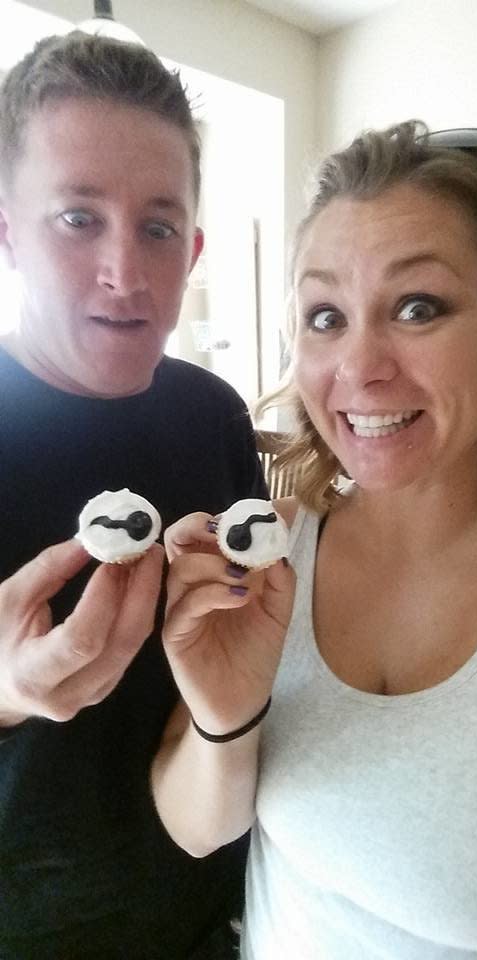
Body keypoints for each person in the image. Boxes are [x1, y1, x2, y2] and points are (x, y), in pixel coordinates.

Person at [153, 121, 477, 958]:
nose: (359, 368)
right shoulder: (267, 557)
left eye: (417, 307)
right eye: (325, 315)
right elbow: (197, 832)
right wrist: (226, 717)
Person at [0, 31, 266, 960]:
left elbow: (239, 653)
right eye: (78, 219)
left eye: (158, 227)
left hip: (217, 914)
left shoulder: (216, 416)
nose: (127, 272)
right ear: (6, 232)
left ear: (191, 248)